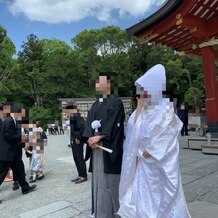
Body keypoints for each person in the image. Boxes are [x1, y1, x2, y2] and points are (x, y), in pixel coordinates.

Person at [117, 64, 191, 218]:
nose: (141, 93)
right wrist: (138, 107)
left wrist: (151, 150)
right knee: (141, 192)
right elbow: (132, 128)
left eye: (144, 89)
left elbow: (168, 133)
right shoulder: (143, 108)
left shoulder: (166, 107)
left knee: (162, 191)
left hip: (157, 159)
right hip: (142, 160)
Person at [82, 73, 125, 218]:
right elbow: (88, 123)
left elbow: (116, 123)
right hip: (96, 148)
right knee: (98, 181)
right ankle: (99, 212)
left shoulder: (116, 102)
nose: (99, 85)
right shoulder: (95, 104)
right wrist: (89, 138)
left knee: (109, 182)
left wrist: (100, 136)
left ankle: (113, 213)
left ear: (109, 84)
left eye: (102, 82)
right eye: (97, 83)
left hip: (108, 147)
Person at [0, 103, 36, 204]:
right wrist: (21, 137)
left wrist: (21, 140)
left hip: (13, 152)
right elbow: (8, 136)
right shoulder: (9, 121)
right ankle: (25, 187)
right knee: (1, 174)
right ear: (15, 112)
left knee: (19, 169)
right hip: (7, 153)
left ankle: (25, 188)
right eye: (19, 112)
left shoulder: (12, 120)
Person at [66, 103, 87, 184]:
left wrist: (78, 138)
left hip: (78, 140)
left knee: (79, 158)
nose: (69, 111)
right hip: (73, 140)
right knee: (76, 158)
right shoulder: (72, 117)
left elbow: (83, 127)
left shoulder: (78, 116)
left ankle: (83, 175)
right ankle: (80, 174)